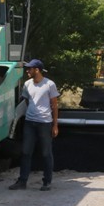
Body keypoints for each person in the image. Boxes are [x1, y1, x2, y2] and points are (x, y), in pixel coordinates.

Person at [9, 59, 60, 191]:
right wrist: (31, 113)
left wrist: (55, 125)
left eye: (29, 69)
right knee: (26, 152)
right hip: (30, 123)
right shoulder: (27, 84)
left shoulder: (49, 84)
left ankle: (47, 181)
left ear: (37, 70)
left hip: (45, 123)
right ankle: (22, 181)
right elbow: (27, 100)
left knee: (46, 153)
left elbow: (54, 105)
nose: (27, 71)